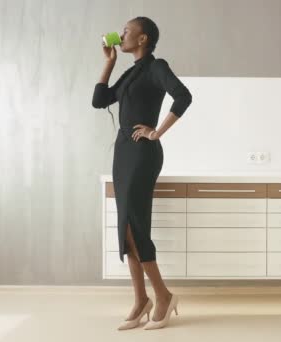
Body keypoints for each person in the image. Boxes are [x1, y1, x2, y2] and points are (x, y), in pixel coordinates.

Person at [92, 16, 192, 330]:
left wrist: (157, 132)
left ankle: (162, 295)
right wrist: (108, 63)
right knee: (125, 227)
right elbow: (99, 100)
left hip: (142, 153)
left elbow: (184, 95)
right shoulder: (131, 72)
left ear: (143, 38)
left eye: (126, 31)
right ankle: (140, 300)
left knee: (135, 225)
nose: (120, 35)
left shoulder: (155, 66)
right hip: (123, 153)